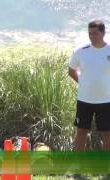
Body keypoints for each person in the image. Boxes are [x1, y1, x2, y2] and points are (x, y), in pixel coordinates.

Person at [69, 20, 110, 179]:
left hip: (106, 101)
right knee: (81, 133)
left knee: (107, 135)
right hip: (84, 100)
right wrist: (84, 83)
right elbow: (71, 70)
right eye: (90, 33)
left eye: (95, 33)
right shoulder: (81, 51)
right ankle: (76, 170)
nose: (92, 36)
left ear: (103, 33)